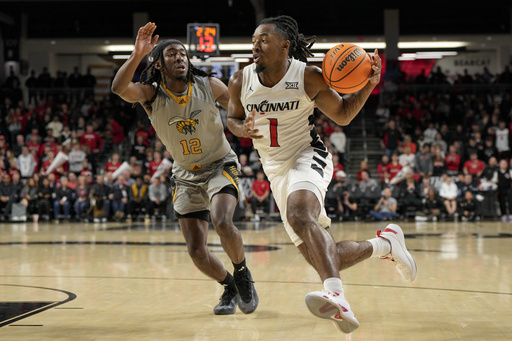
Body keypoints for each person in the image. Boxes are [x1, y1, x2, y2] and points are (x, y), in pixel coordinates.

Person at [226, 15, 416, 334]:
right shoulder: (239, 80)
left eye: (264, 39)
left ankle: (336, 296)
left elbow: (342, 114)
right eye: (254, 39)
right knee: (325, 258)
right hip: (274, 171)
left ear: (285, 46)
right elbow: (232, 119)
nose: (255, 45)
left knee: (300, 214)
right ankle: (386, 244)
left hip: (307, 155)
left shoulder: (308, 76)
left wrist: (369, 84)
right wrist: (240, 128)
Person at [111, 22, 258, 315]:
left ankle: (242, 273)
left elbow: (238, 113)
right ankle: (229, 285)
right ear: (159, 63)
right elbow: (118, 88)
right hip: (185, 174)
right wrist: (137, 54)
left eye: (183, 54)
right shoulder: (151, 95)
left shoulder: (209, 84)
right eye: (171, 55)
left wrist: (246, 127)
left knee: (222, 220)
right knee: (196, 251)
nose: (180, 58)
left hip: (220, 164)